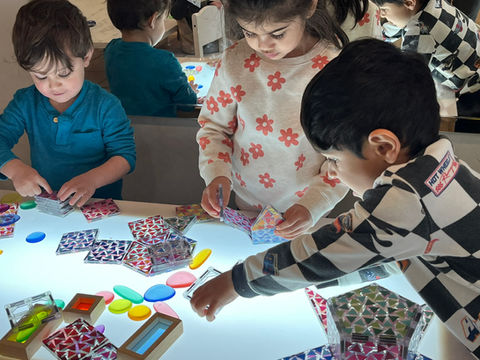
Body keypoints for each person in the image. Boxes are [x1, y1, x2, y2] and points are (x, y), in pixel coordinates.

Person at [190, 38, 480, 359]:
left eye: (336, 161)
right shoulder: (443, 166)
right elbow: (385, 255)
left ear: (384, 147)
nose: (336, 174)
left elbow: (320, 253)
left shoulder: (404, 200)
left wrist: (237, 281)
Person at [197, 0, 382, 240]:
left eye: (277, 33)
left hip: (312, 207)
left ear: (309, 7)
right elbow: (214, 129)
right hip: (248, 200)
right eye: (249, 33)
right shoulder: (235, 60)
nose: (262, 45)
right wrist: (216, 174)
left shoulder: (334, 68)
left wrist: (311, 206)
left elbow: (345, 155)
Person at [0, 0, 136, 207]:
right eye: (40, 76)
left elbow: (125, 157)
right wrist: (15, 169)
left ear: (87, 57)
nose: (54, 85)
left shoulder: (105, 105)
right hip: (49, 207)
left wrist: (92, 180)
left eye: (64, 73)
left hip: (99, 205)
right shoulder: (25, 102)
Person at [373, 0, 480, 131]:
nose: (382, 15)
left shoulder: (419, 31)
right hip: (472, 54)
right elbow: (400, 24)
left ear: (409, 3)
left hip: (470, 86)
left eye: (384, 9)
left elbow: (409, 78)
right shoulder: (432, 3)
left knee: (452, 123)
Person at [105, 0, 198, 117]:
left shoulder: (111, 49)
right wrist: (191, 92)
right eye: (164, 20)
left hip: (124, 128)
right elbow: (187, 103)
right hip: (160, 131)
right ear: (152, 20)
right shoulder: (164, 61)